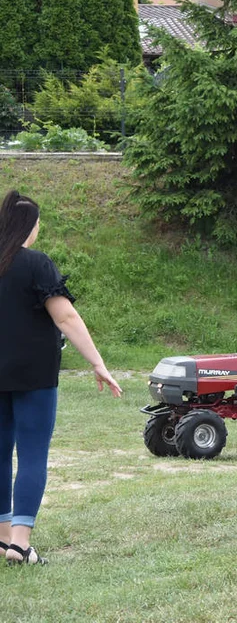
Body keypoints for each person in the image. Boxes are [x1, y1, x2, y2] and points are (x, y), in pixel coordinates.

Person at [0, 190, 123, 566]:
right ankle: (20, 544)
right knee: (33, 455)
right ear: (29, 227)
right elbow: (66, 318)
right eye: (38, 224)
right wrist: (98, 363)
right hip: (34, 376)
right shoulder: (37, 264)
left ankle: (3, 539)